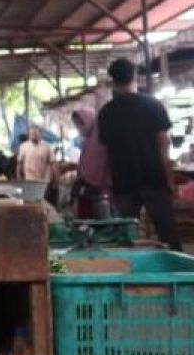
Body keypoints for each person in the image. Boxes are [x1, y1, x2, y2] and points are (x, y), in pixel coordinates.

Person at [98, 58, 181, 250]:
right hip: (154, 178)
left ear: (113, 81)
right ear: (135, 76)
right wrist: (170, 179)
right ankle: (182, 274)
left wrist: (108, 184)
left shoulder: (106, 113)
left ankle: (128, 277)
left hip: (123, 183)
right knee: (168, 233)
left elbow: (105, 153)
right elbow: (163, 144)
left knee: (126, 237)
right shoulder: (153, 105)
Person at [71, 108, 110, 218]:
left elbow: (103, 164)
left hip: (103, 190)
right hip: (86, 189)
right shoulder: (87, 142)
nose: (79, 128)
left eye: (81, 124)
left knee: (102, 221)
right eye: (77, 125)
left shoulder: (101, 137)